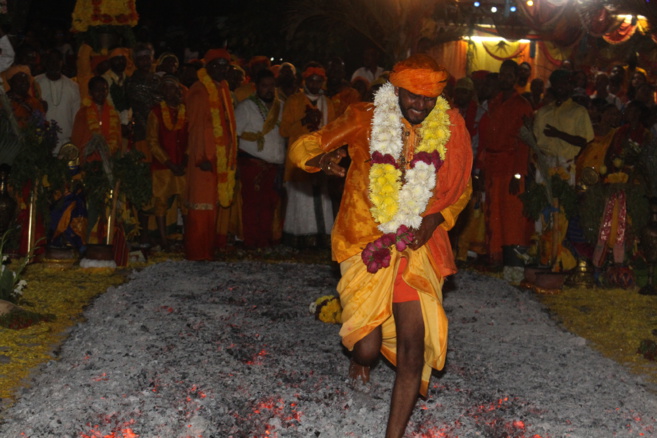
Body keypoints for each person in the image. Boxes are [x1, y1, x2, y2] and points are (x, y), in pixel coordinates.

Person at [288, 54, 472, 438]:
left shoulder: (451, 127)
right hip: (365, 241)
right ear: (395, 90)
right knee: (367, 348)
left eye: (429, 99)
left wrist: (435, 218)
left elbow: (461, 189)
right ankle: (361, 358)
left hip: (418, 246)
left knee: (413, 346)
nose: (420, 106)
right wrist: (321, 160)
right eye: (412, 97)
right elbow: (302, 148)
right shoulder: (364, 118)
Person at [476, 60, 534, 267]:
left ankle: (513, 262)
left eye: (510, 75)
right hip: (492, 166)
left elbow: (525, 144)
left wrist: (518, 174)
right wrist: (482, 168)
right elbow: (485, 140)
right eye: (502, 74)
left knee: (511, 216)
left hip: (511, 167)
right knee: (493, 212)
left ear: (517, 78)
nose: (505, 79)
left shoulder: (522, 106)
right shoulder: (494, 102)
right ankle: (495, 258)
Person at [184, 48, 237, 260]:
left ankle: (209, 251)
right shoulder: (198, 91)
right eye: (218, 66)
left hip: (220, 158)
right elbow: (195, 128)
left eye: (226, 66)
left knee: (214, 207)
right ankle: (197, 253)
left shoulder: (222, 88)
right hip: (204, 160)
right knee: (201, 206)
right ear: (209, 67)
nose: (222, 70)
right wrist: (201, 157)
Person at [280, 62, 335, 248]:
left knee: (321, 198)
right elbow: (284, 130)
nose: (315, 84)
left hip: (321, 158)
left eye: (318, 81)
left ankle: (321, 238)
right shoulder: (294, 101)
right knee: (300, 200)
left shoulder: (328, 104)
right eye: (311, 80)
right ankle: (300, 239)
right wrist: (303, 121)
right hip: (298, 160)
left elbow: (334, 131)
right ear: (305, 81)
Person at [235, 69, 285, 248]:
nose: (269, 90)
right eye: (264, 86)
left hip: (274, 165)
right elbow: (234, 135)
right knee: (251, 204)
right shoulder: (245, 107)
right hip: (252, 163)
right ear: (256, 87)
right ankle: (250, 242)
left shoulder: (282, 107)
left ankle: (264, 242)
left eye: (272, 86)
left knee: (270, 205)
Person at [146, 75, 188, 250]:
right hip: (163, 166)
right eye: (169, 88)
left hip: (183, 166)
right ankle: (163, 240)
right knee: (161, 203)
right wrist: (169, 163)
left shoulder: (186, 111)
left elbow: (191, 138)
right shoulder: (155, 112)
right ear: (163, 91)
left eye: (175, 88)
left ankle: (188, 238)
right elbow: (152, 142)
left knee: (186, 203)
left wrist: (185, 160)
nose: (174, 91)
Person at [533, 69, 594, 185]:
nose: (561, 86)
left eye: (565, 82)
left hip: (567, 165)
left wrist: (559, 134)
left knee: (564, 202)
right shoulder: (542, 112)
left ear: (571, 86)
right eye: (557, 82)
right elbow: (534, 141)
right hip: (545, 165)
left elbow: (584, 141)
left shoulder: (579, 111)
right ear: (553, 86)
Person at [35, 50, 80, 156]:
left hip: (66, 143)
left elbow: (76, 116)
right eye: (51, 61)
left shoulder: (73, 86)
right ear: (45, 62)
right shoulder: (35, 83)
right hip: (41, 143)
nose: (54, 64)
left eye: (57, 61)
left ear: (62, 62)